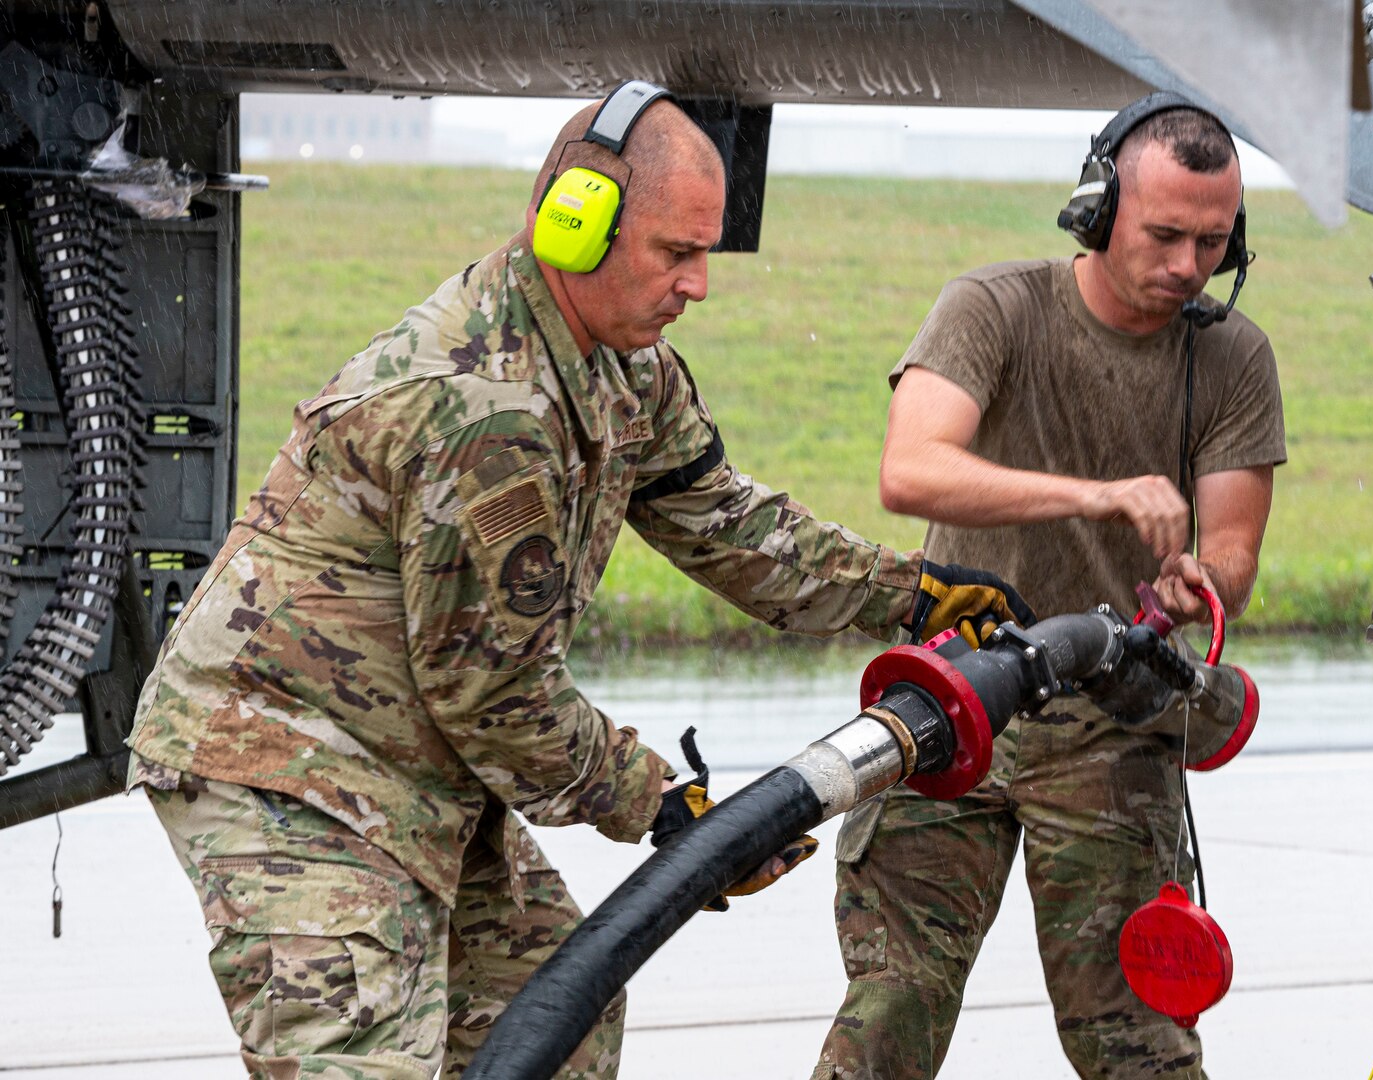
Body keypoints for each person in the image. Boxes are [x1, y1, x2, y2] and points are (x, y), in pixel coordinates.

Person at [124, 82, 1030, 1080]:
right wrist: (666, 807)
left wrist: (909, 595)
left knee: (556, 1008)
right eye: (674, 254)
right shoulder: (485, 412)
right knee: (355, 1059)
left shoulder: (624, 367)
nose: (699, 286)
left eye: (706, 254)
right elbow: (497, 698)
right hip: (292, 763)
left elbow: (722, 520)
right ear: (575, 223)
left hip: (420, 762)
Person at [813, 96, 1287, 1079]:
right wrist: (1097, 496)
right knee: (890, 1014)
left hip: (1113, 721)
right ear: (1097, 206)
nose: (1189, 266)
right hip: (954, 703)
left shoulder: (1234, 356)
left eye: (1211, 241)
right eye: (1164, 234)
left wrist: (1203, 582)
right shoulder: (995, 307)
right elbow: (913, 471)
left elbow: (1234, 551)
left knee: (1136, 1045)